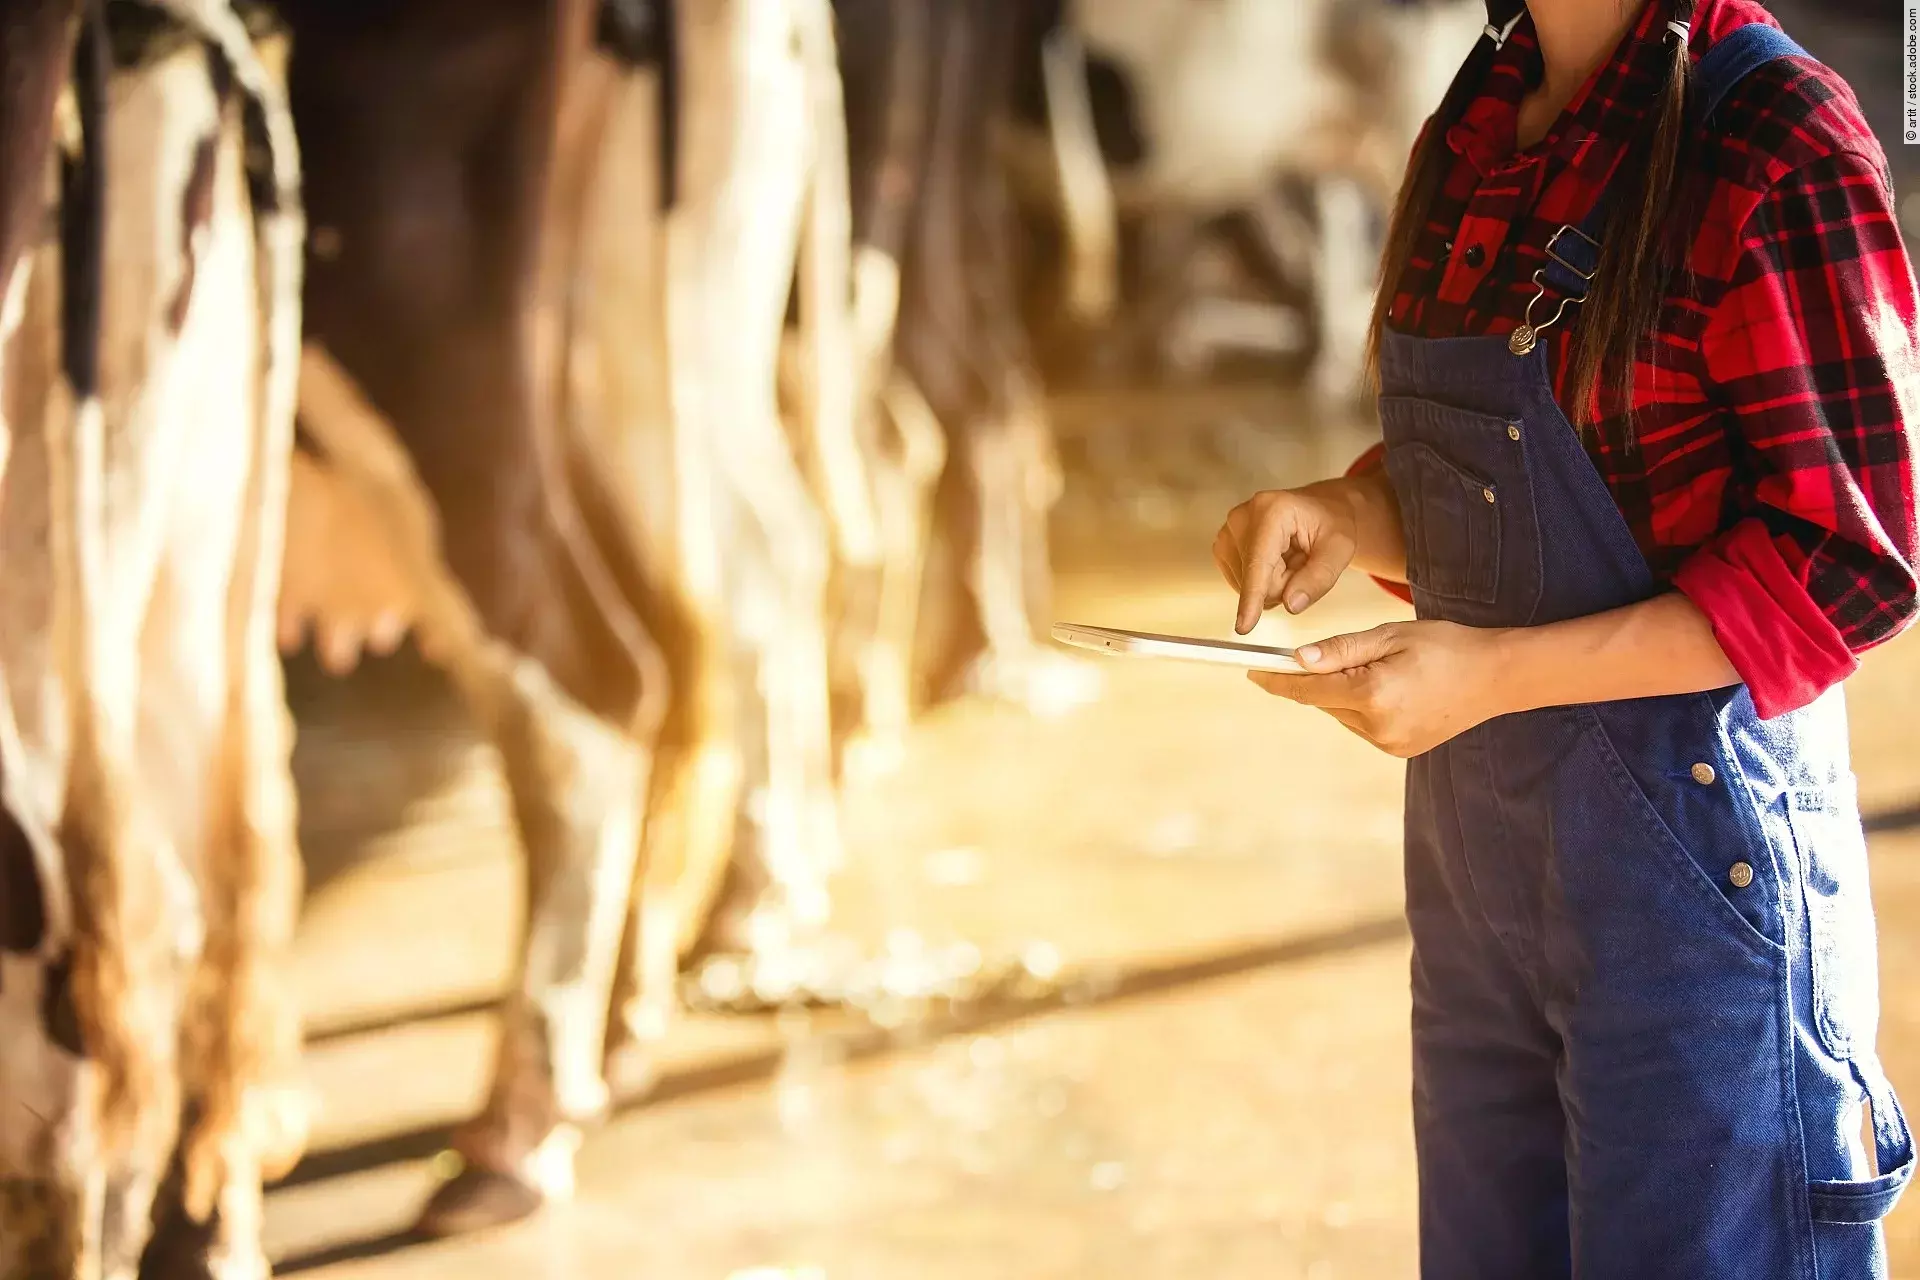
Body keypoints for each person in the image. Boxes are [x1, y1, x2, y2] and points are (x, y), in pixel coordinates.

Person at [1213, 1, 1920, 1275]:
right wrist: (1352, 507)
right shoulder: (1478, 121)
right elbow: (1529, 471)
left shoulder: (1779, 139)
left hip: (1698, 890)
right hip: (1481, 879)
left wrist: (1490, 674)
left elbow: (1850, 562)